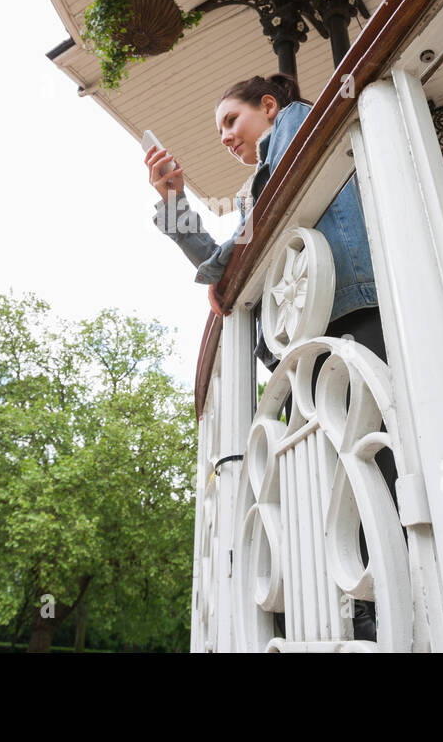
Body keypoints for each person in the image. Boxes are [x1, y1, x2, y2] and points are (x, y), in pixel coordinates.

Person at [145, 72, 400, 642]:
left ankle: (379, 603)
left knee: (365, 460)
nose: (226, 138)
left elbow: (228, 257)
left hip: (348, 312)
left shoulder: (294, 122)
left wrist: (220, 273)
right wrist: (174, 203)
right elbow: (225, 257)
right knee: (328, 469)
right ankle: (354, 603)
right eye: (219, 134)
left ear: (267, 105)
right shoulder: (260, 187)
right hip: (313, 336)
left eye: (231, 121)